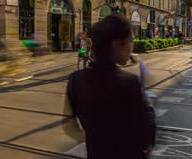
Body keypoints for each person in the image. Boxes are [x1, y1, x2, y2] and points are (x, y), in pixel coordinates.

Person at [64, 15, 156, 159]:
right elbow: (148, 130)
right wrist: (148, 101)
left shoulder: (75, 80)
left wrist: (93, 139)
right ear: (116, 44)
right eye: (130, 41)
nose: (132, 46)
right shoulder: (130, 83)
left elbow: (68, 126)